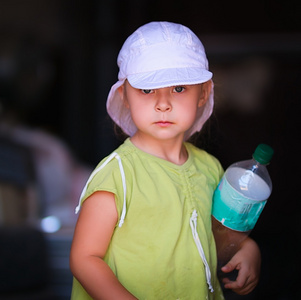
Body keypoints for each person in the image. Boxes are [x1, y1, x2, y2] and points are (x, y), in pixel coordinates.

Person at [69, 21, 261, 299]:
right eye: (147, 90)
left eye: (179, 88)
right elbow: (85, 258)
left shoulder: (210, 168)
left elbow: (216, 237)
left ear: (203, 93)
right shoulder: (119, 174)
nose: (163, 103)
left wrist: (247, 249)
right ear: (125, 96)